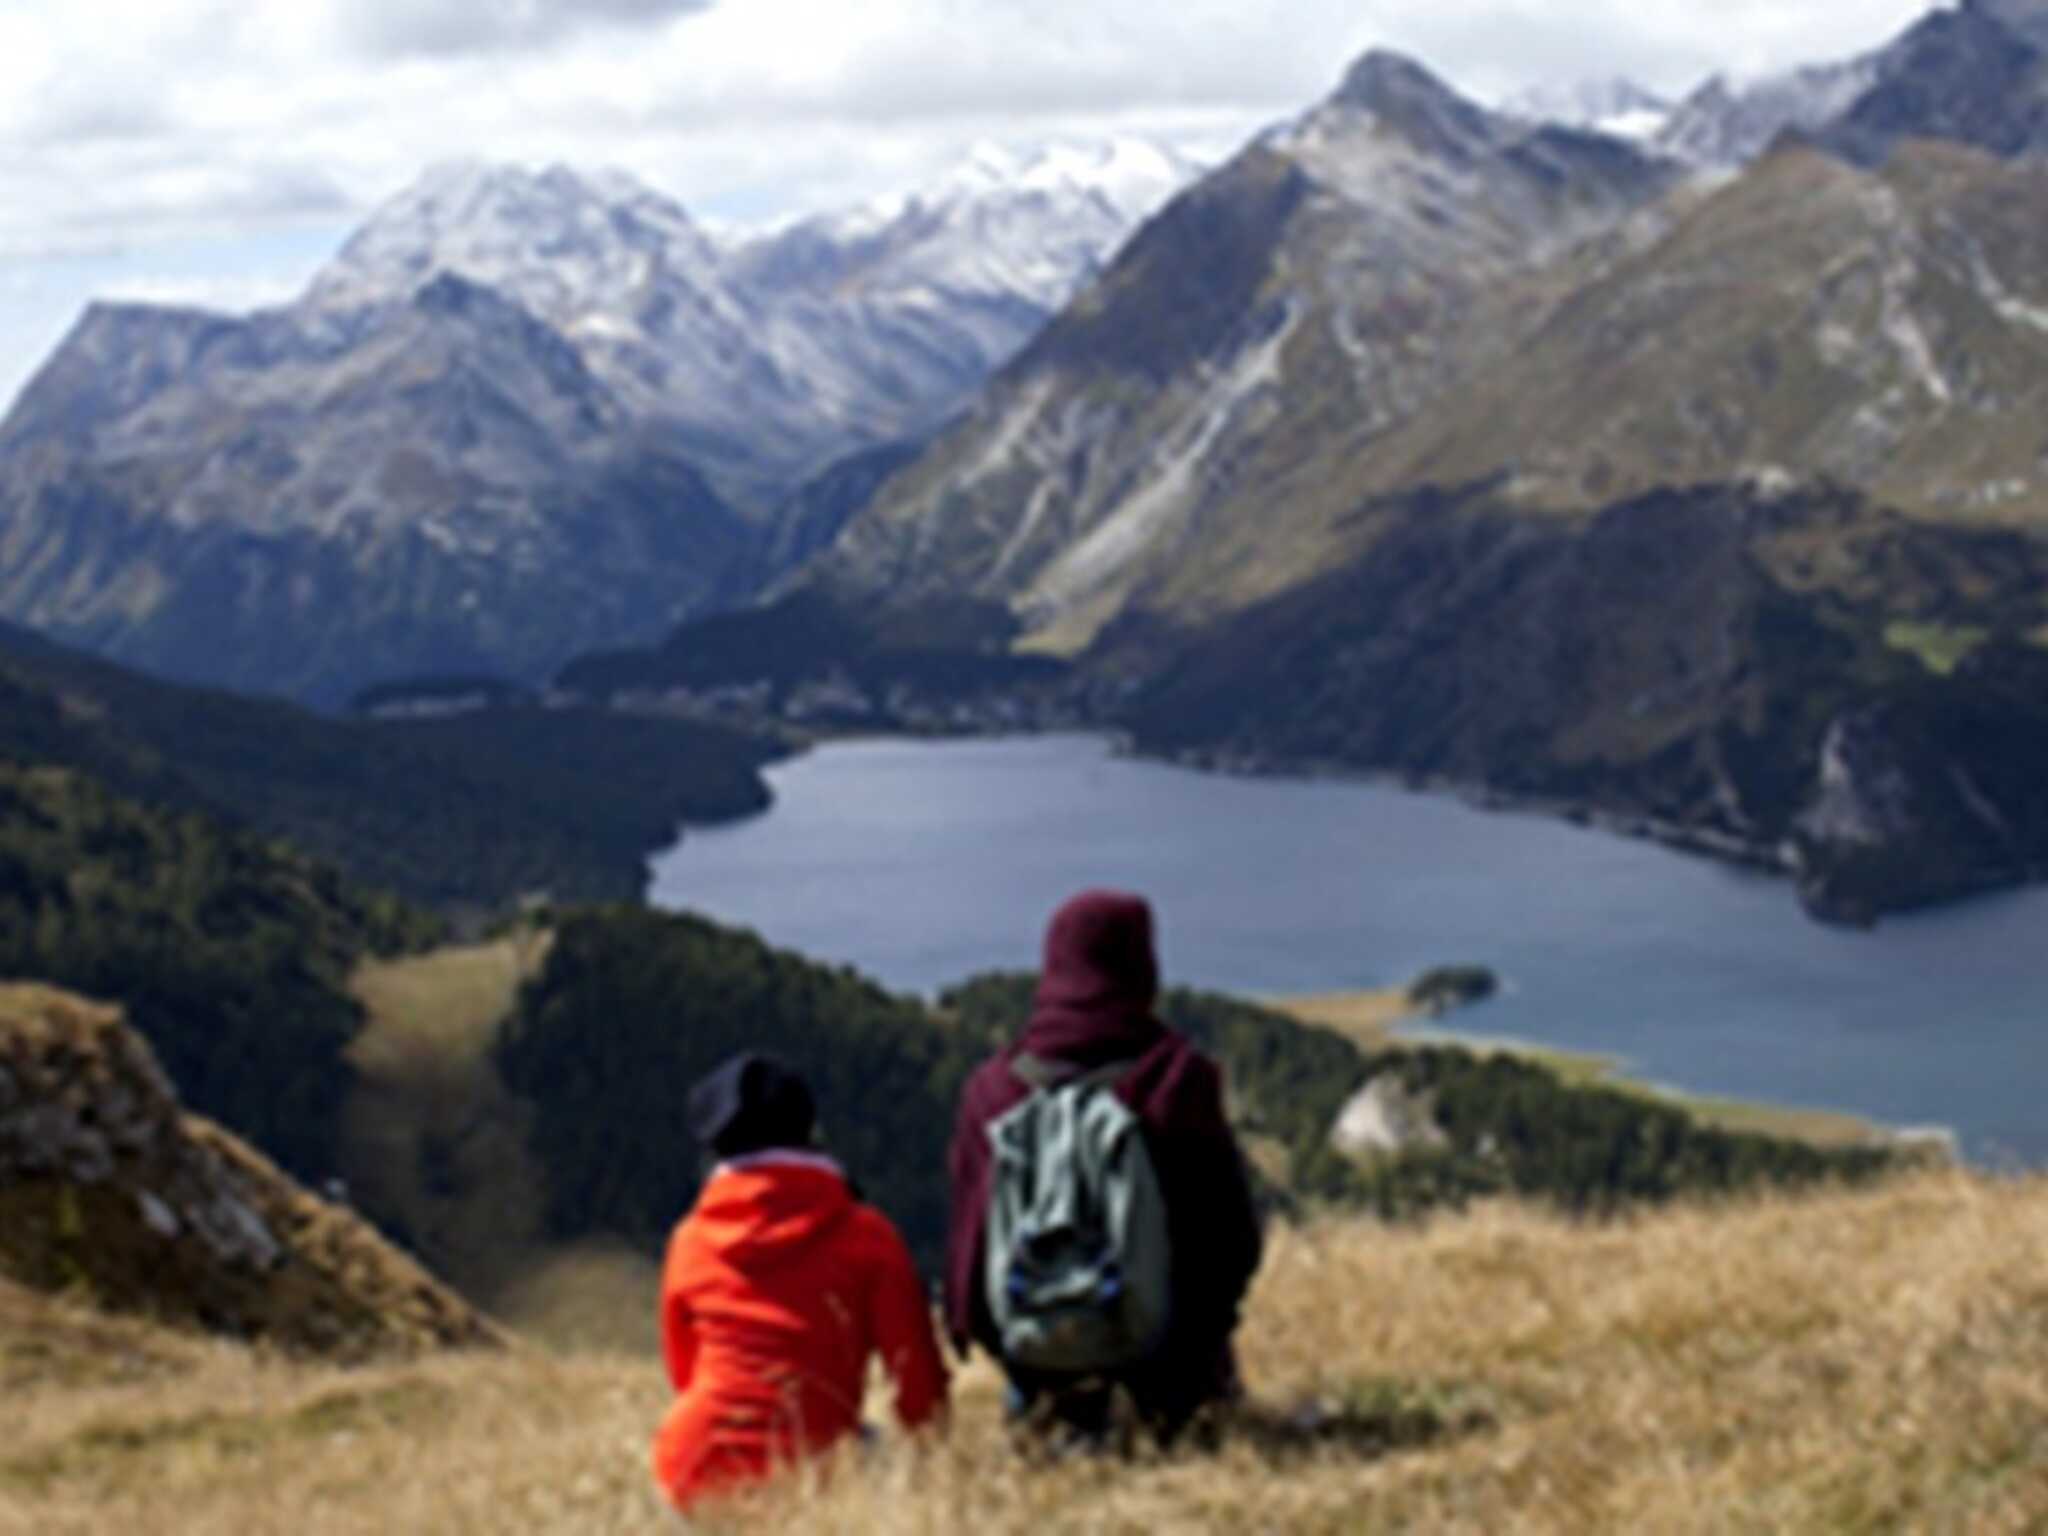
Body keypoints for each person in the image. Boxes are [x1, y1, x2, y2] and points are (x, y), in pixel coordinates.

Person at [944, 889, 1263, 1446]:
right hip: (1171, 1375)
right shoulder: (1178, 1080)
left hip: (1036, 1364)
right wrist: (1202, 1343)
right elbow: (1232, 1241)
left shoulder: (992, 1092)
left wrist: (1010, 1344)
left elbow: (969, 1256)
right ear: (1141, 964)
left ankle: (1050, 1413)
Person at [651, 1053, 949, 1514]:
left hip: (693, 1466)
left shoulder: (689, 1239)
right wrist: (935, 1467)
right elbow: (916, 1377)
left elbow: (684, 1372)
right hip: (816, 1467)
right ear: (810, 1134)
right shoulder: (867, 1234)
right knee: (876, 1457)